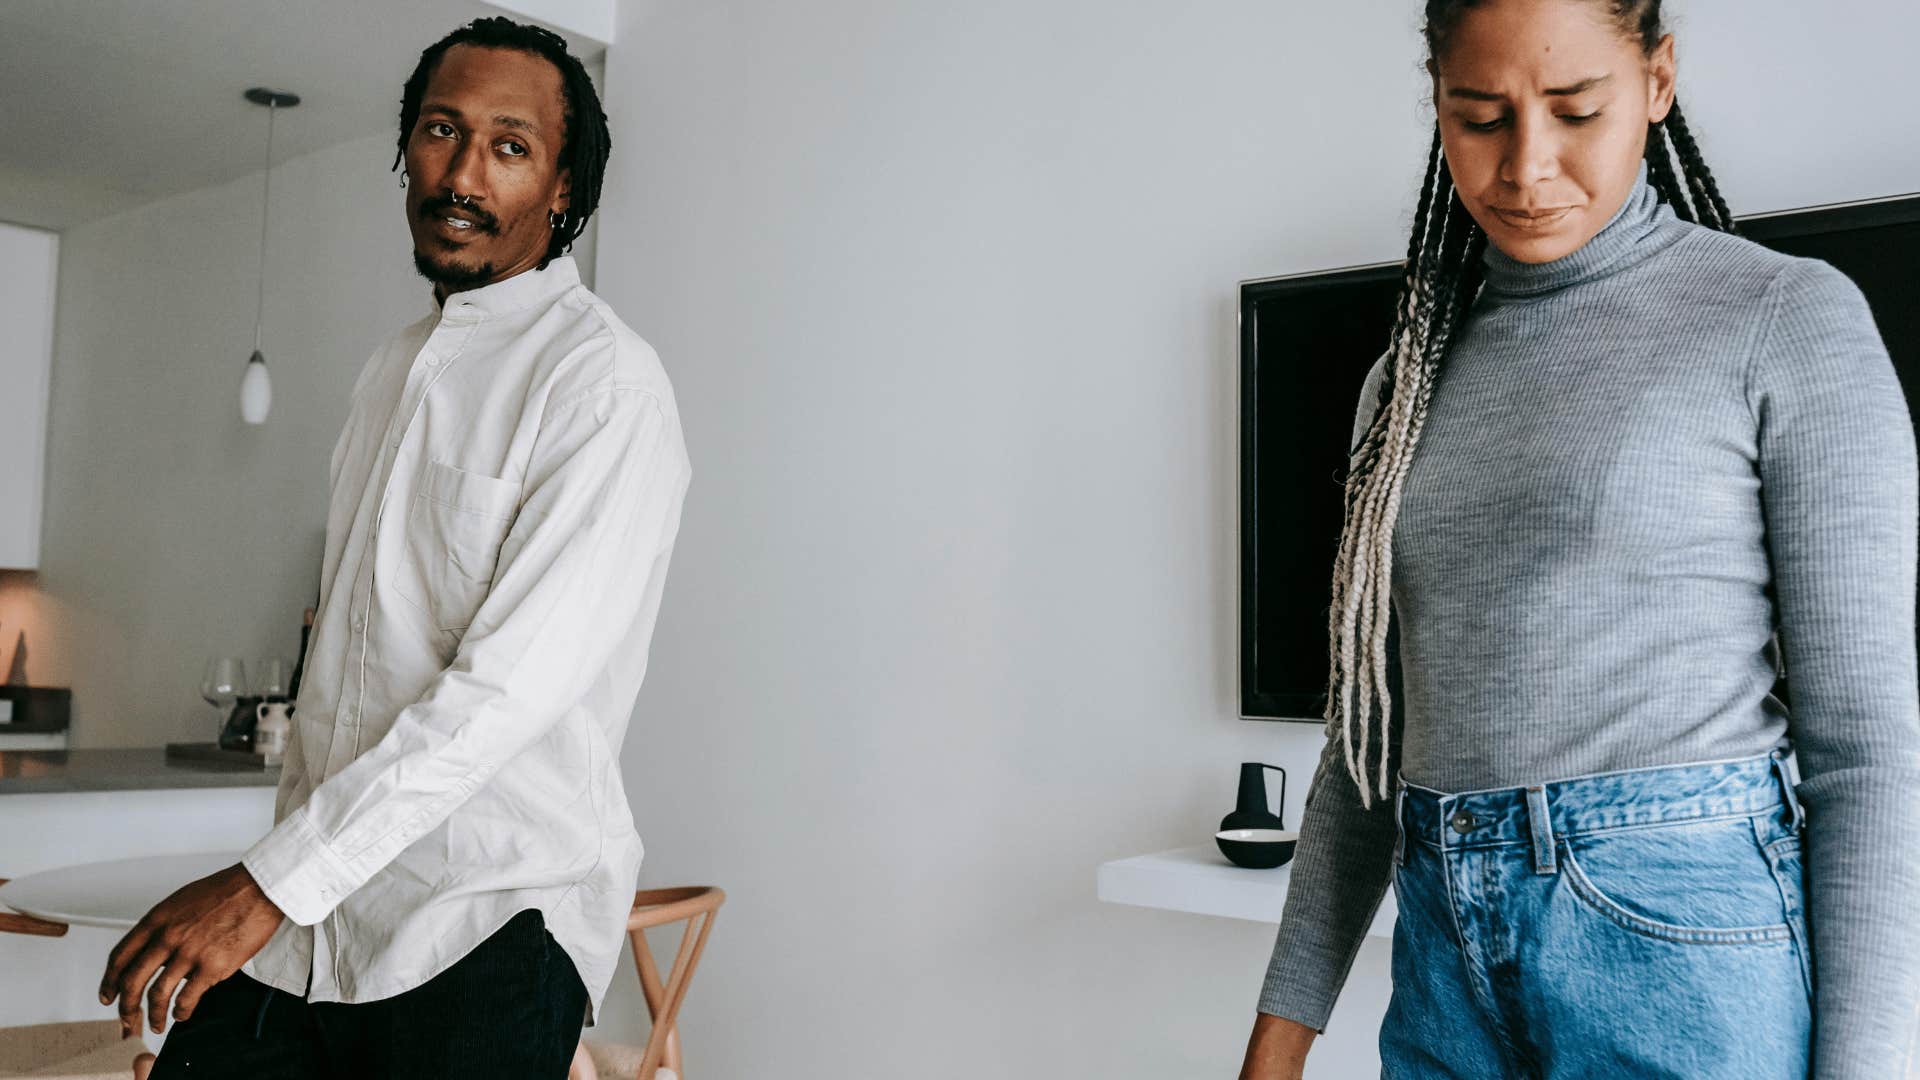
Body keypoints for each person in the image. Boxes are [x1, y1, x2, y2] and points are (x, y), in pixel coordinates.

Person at [1239, 1, 1918, 1077]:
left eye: (1575, 109)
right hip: (1444, 963)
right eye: (1481, 117)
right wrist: (1278, 1041)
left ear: (1657, 82)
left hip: (1685, 955)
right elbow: (1367, 744)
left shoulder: (1785, 319)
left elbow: (1866, 747)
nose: (1526, 166)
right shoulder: (1405, 382)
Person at [98, 17, 691, 1079]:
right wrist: (287, 890)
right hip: (308, 927)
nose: (462, 172)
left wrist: (265, 884)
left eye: (509, 146)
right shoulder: (391, 370)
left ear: (562, 191)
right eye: (439, 131)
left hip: (482, 924)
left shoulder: (602, 386)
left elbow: (504, 696)